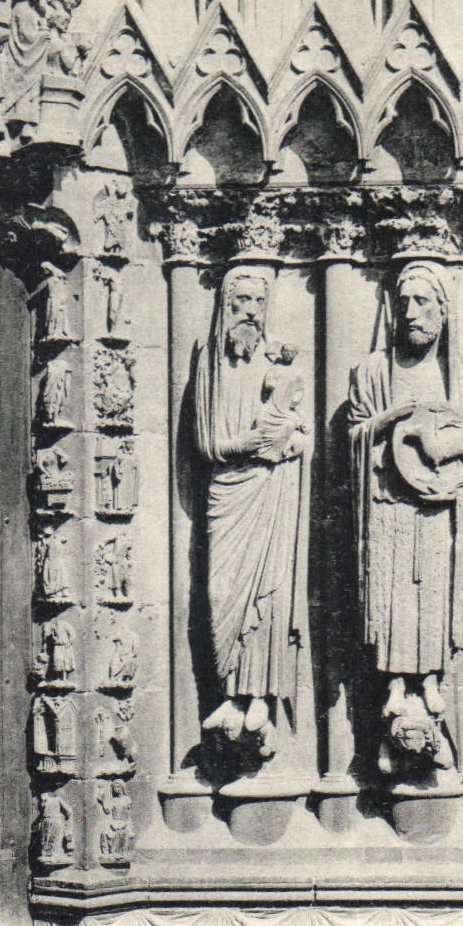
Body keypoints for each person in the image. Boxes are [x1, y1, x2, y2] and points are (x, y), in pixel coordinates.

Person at [349, 261, 463, 720]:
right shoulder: (371, 372)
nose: (411, 312)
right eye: (403, 302)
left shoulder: (462, 374)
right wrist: (385, 420)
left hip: (437, 505)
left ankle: (429, 678)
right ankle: (395, 681)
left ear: (444, 311)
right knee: (393, 592)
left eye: (422, 302)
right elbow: (354, 434)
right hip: (387, 502)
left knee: (432, 590)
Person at [193, 266, 307, 741]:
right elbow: (208, 443)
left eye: (259, 303)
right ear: (225, 305)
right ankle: (226, 692)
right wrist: (251, 445)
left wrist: (291, 442)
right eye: (241, 301)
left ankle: (258, 694)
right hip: (228, 491)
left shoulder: (275, 365)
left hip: (270, 489)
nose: (251, 312)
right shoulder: (209, 362)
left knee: (269, 593)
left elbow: (299, 431)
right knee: (221, 595)